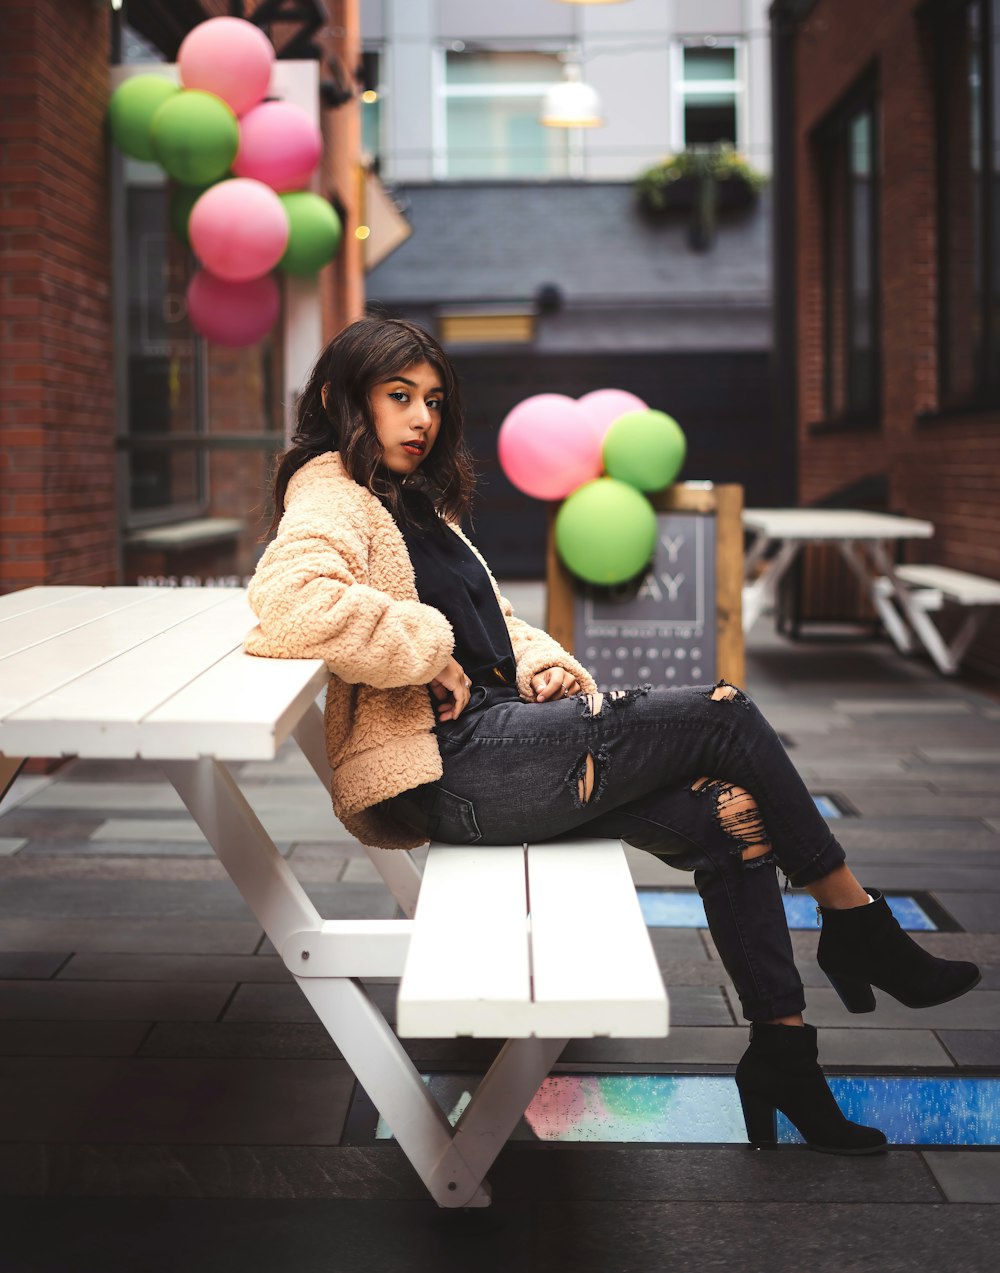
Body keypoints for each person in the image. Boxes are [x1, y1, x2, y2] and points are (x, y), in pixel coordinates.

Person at [246, 315, 980, 1155]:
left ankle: (784, 1053)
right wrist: (424, 650)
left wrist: (542, 667)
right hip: (459, 768)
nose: (422, 419)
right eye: (399, 397)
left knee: (730, 816)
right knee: (724, 711)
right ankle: (858, 924)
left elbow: (496, 621)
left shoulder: (412, 500)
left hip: (505, 740)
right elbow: (289, 599)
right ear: (345, 399)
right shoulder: (331, 487)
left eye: (435, 401)